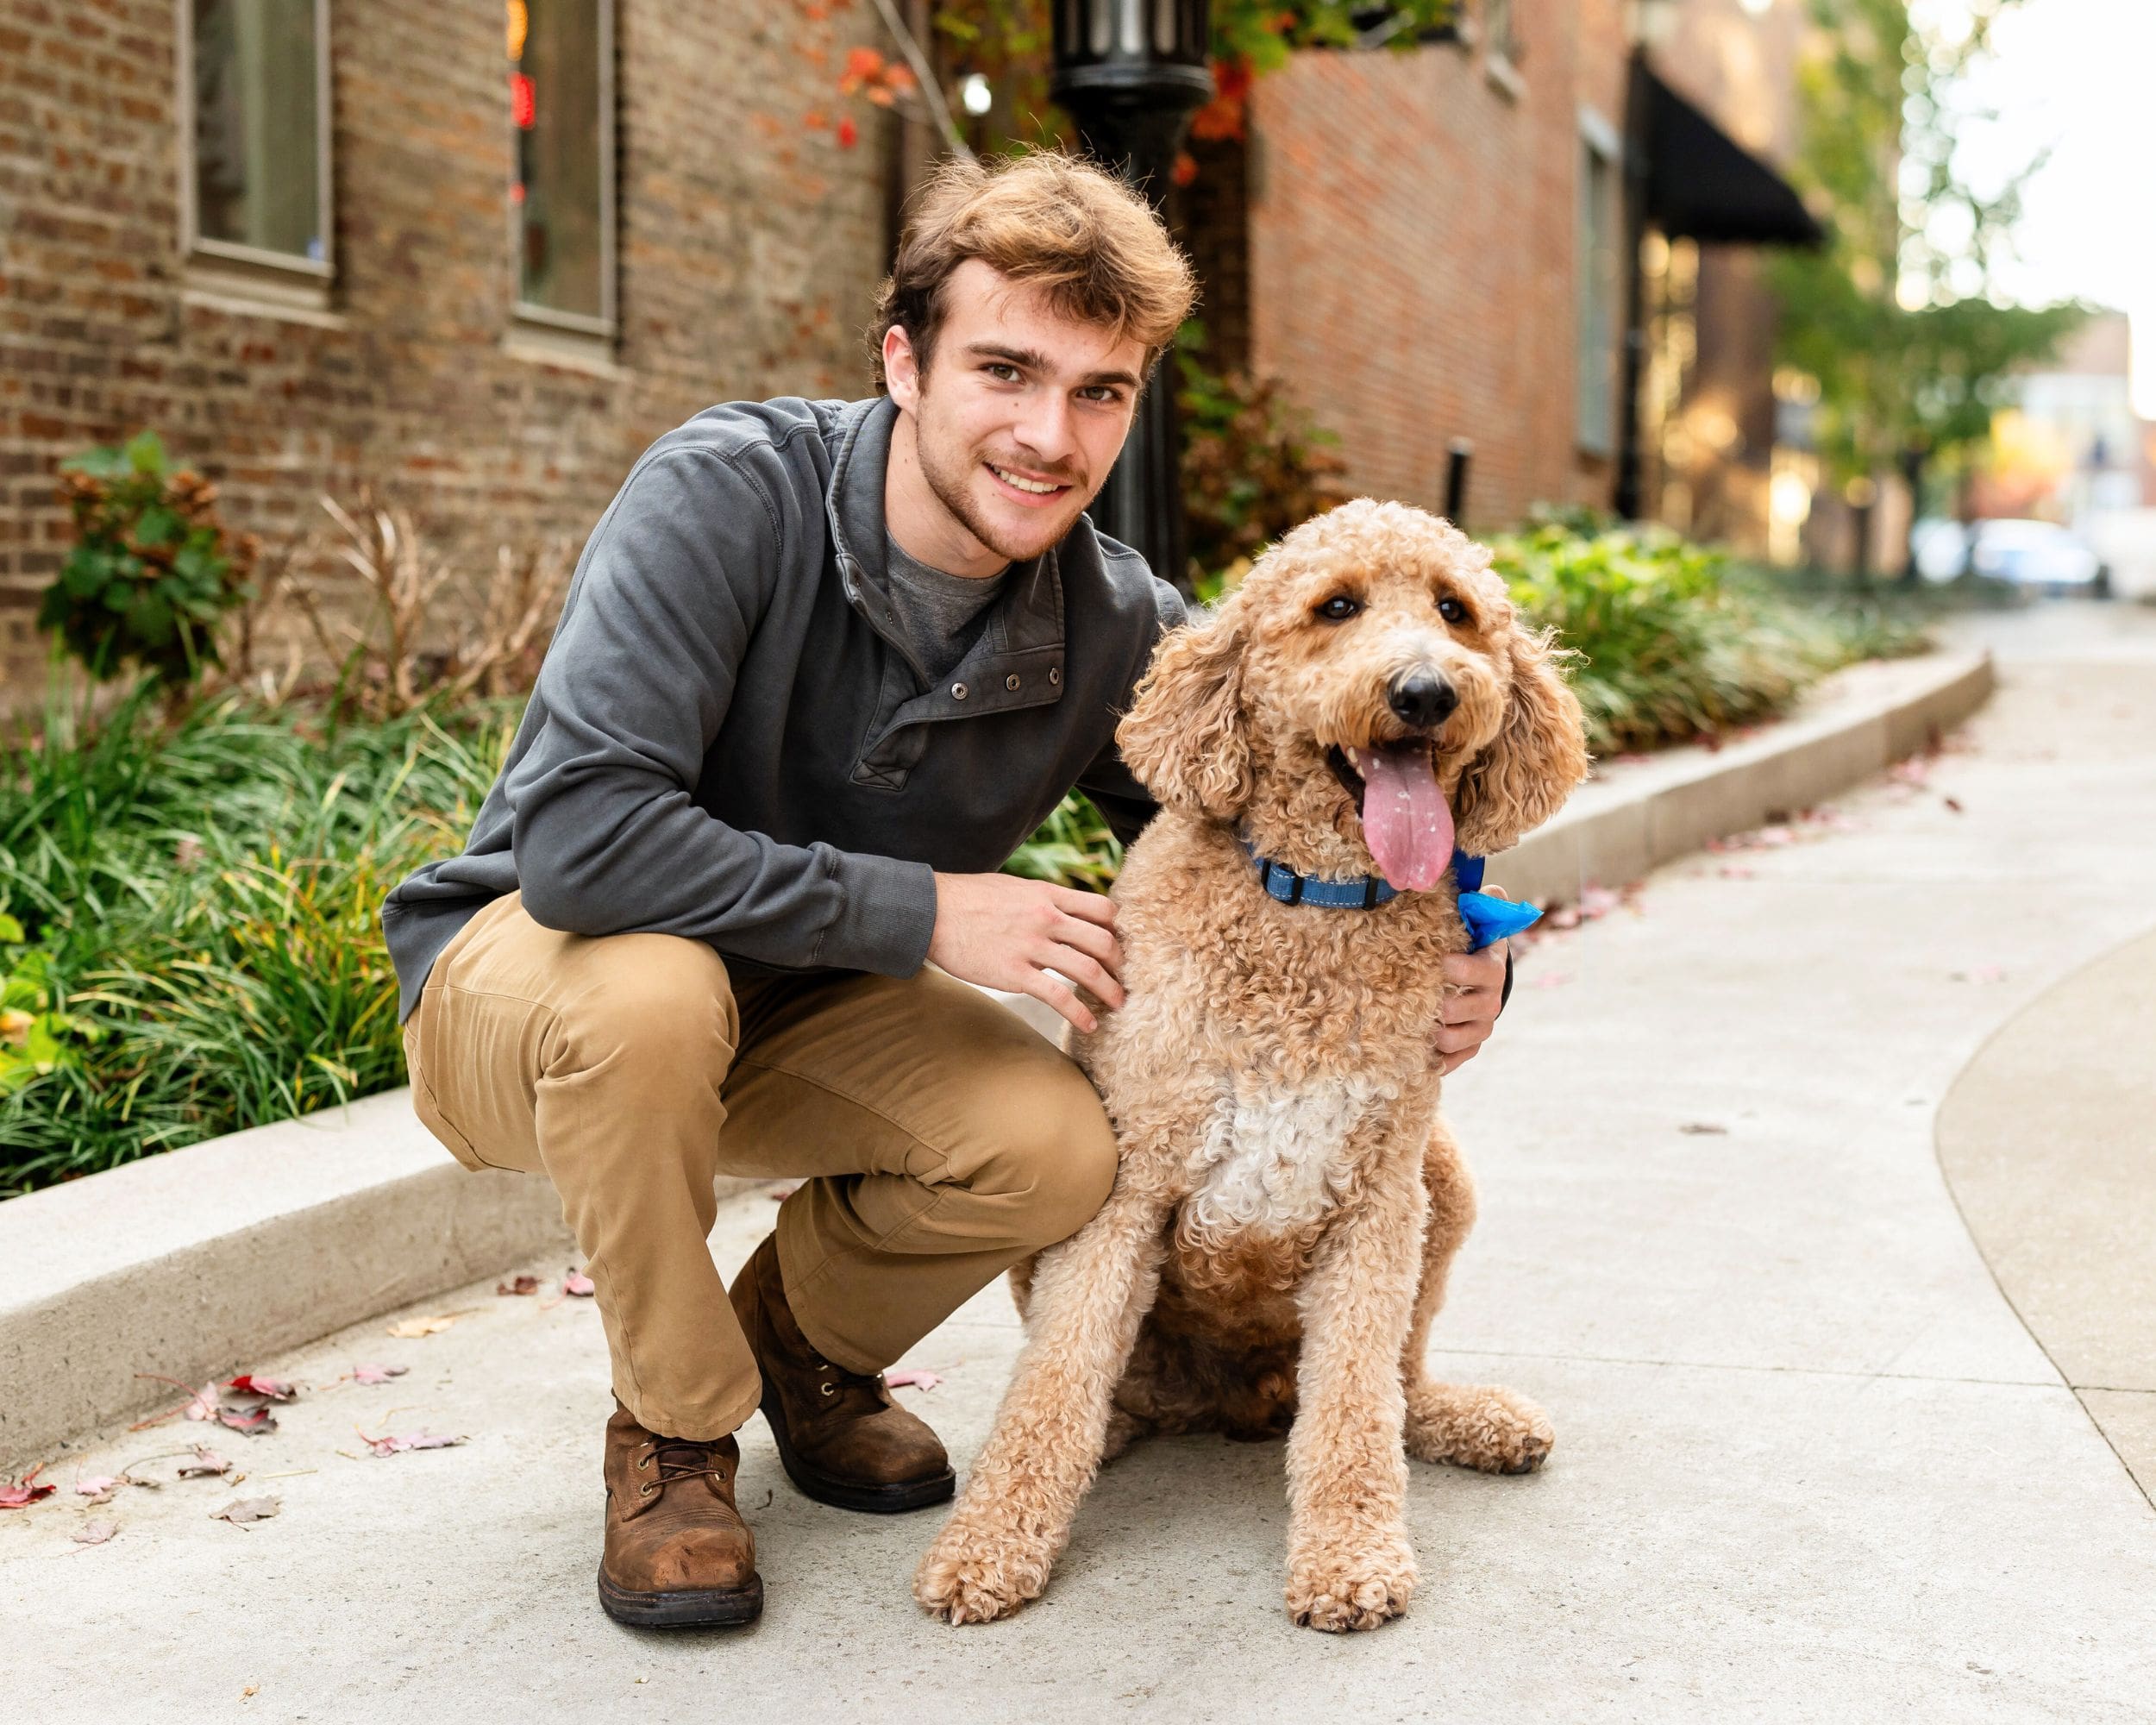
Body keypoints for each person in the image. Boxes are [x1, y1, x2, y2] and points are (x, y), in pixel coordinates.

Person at [381, 152, 1514, 1630]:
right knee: (651, 994)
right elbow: (585, 845)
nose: (1050, 435)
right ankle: (674, 1434)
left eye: (1100, 392)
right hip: (538, 981)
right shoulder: (726, 496)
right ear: (902, 359)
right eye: (1006, 370)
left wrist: (1475, 934)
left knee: (1058, 1144)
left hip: (802, 1012)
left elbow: (1300, 785)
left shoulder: (1109, 619)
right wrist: (928, 910)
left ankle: (799, 1349)